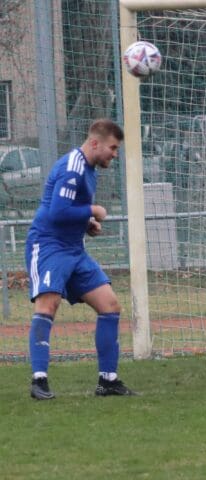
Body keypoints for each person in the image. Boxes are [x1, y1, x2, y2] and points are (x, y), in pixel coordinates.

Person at [26, 119, 135, 399]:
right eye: (113, 148)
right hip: (48, 246)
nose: (115, 154)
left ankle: (107, 381)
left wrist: (86, 223)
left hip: (74, 249)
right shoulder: (72, 168)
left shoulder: (89, 169)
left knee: (110, 305)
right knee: (48, 305)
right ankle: (39, 382)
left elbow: (68, 209)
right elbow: (57, 213)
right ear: (95, 143)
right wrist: (94, 210)